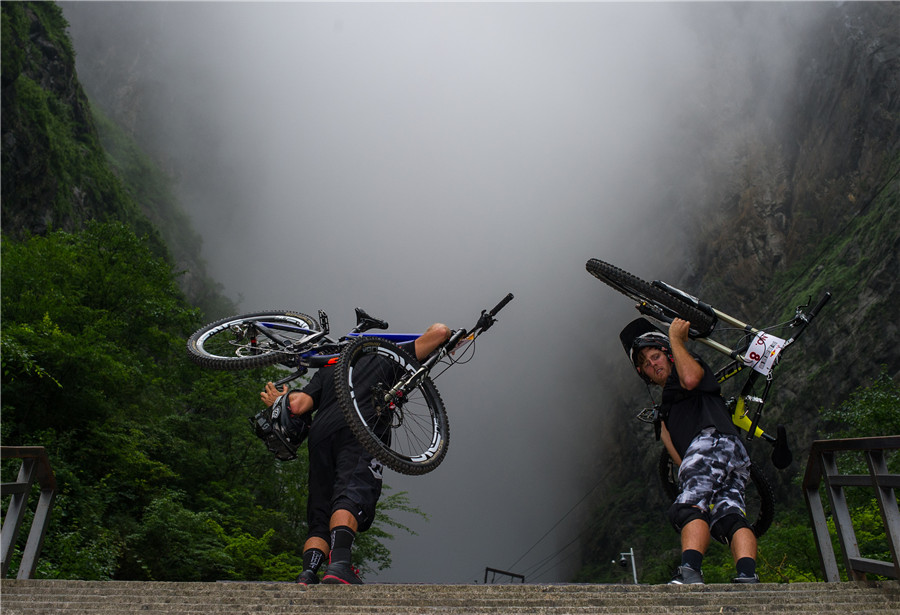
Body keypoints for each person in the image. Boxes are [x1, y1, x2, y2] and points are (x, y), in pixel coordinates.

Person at [260, 322, 451, 585]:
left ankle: (308, 573)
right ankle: (339, 565)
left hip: (321, 436)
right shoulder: (386, 353)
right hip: (361, 429)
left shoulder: (330, 366)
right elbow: (440, 333)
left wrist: (280, 401)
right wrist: (442, 337)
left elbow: (298, 405)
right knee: (350, 494)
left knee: (320, 512)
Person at [621, 316, 759, 585]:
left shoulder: (684, 369)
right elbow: (681, 460)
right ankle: (747, 575)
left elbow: (692, 377)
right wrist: (664, 432)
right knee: (728, 515)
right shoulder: (667, 405)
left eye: (656, 356)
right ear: (644, 374)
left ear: (668, 355)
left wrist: (674, 341)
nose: (652, 364)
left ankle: (690, 572)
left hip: (709, 440)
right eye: (646, 364)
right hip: (729, 451)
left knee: (690, 506)